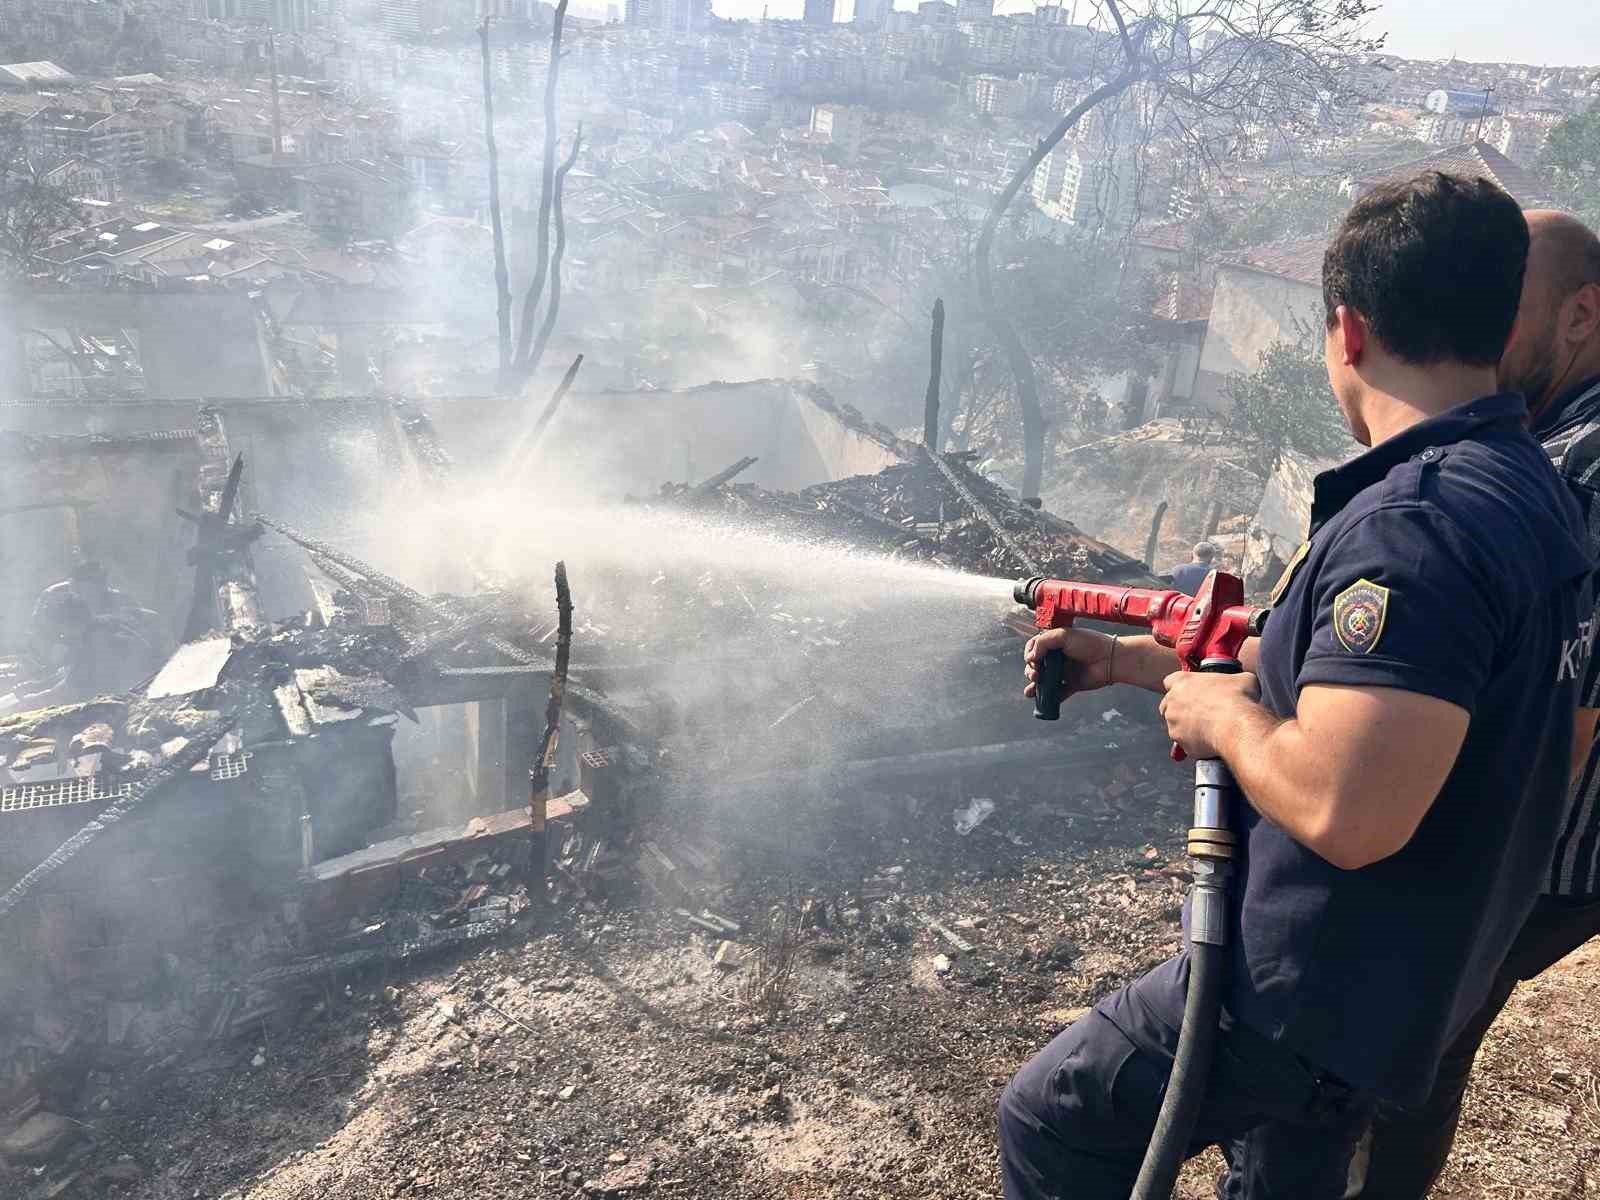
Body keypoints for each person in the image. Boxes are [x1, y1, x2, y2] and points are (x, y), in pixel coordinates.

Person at [999, 172, 1594, 1200]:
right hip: (1404, 983)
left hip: (1306, 987)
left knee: (1054, 1121)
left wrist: (1222, 714)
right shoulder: (1524, 483)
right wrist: (1153, 667)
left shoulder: (1418, 523)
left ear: (1348, 330)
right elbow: (1401, 698)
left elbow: (1346, 808)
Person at [1334, 210, 1600, 1198]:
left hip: (1540, 853)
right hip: (1558, 848)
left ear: (1581, 314)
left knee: (1401, 1052)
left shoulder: (1576, 469)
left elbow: (1562, 725)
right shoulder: (1554, 442)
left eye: (1501, 313)